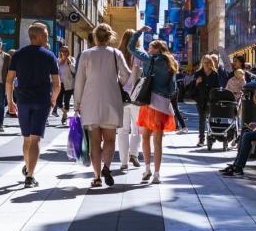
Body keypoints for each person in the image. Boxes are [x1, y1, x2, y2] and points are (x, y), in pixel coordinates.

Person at [74, 23, 130, 187]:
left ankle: (97, 177)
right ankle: (107, 167)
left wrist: (77, 103)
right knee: (110, 140)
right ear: (109, 37)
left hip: (90, 102)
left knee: (95, 142)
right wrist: (117, 82)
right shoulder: (116, 53)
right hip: (111, 101)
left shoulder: (86, 54)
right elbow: (126, 75)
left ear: (95, 37)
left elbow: (79, 82)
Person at [6, 22, 60, 188]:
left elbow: (9, 80)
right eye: (45, 34)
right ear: (36, 36)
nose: (47, 37)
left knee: (27, 138)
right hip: (42, 101)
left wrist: (10, 101)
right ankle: (30, 175)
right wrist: (54, 99)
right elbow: (57, 83)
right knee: (36, 139)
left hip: (23, 100)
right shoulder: (49, 56)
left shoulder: (18, 55)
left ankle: (28, 167)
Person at [127, 27, 178, 184]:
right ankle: (157, 174)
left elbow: (130, 47)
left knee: (146, 137)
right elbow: (173, 89)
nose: (148, 50)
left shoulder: (150, 59)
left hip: (148, 101)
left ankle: (147, 169)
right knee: (158, 140)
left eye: (150, 48)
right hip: (162, 104)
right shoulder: (171, 63)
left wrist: (139, 32)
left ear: (156, 49)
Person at [117, 29, 143, 172]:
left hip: (120, 96)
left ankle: (123, 162)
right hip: (136, 97)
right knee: (137, 129)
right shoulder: (138, 54)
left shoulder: (118, 54)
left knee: (122, 130)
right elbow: (140, 73)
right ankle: (134, 154)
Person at [193, 55, 221, 147]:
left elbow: (217, 87)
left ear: (211, 63)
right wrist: (197, 82)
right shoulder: (198, 73)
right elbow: (193, 87)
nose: (207, 64)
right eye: (205, 62)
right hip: (201, 99)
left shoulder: (214, 73)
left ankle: (211, 136)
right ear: (202, 63)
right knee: (202, 119)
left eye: (209, 62)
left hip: (211, 100)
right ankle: (201, 139)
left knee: (211, 119)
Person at [56, 45, 76, 124]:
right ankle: (64, 113)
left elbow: (74, 71)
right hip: (60, 83)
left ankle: (64, 114)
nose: (64, 52)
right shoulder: (58, 61)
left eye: (65, 51)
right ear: (60, 52)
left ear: (68, 52)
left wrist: (70, 63)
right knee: (58, 101)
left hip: (69, 84)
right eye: (62, 51)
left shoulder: (72, 59)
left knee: (66, 101)